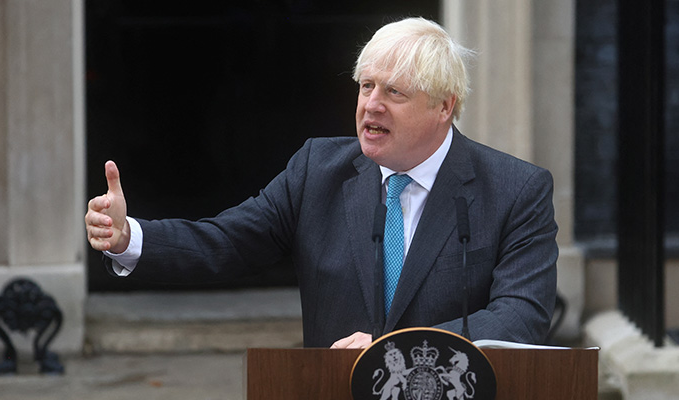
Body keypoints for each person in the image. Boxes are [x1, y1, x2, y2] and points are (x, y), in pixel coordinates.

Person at [85, 17, 558, 349]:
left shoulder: (516, 191)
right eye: (366, 85)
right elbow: (229, 240)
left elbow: (520, 316)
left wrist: (395, 349)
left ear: (444, 106)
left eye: (394, 92)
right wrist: (130, 238)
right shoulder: (318, 169)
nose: (372, 105)